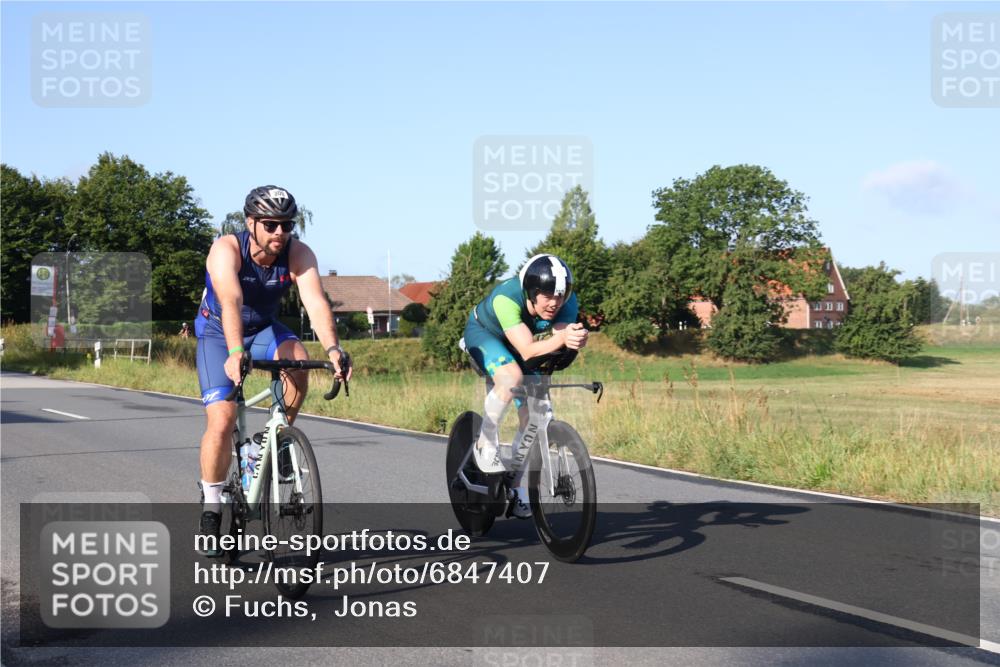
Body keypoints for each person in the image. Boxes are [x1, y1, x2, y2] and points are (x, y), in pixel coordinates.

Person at [194, 185, 351, 554]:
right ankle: (212, 506)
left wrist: (333, 349)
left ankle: (273, 441)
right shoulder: (226, 249)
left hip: (264, 329)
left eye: (287, 225)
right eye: (270, 225)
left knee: (297, 357)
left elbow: (315, 300)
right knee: (222, 418)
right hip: (219, 333)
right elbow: (231, 300)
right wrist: (234, 352)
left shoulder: (298, 254)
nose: (280, 232)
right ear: (250, 223)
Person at [462, 254, 588, 518]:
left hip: (522, 343)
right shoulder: (506, 299)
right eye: (546, 295)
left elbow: (561, 337)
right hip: (486, 335)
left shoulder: (566, 301)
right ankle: (485, 443)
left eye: (560, 296)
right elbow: (528, 350)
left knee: (535, 417)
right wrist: (563, 337)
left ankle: (516, 488)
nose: (554, 303)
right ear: (531, 291)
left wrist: (575, 339)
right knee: (511, 378)